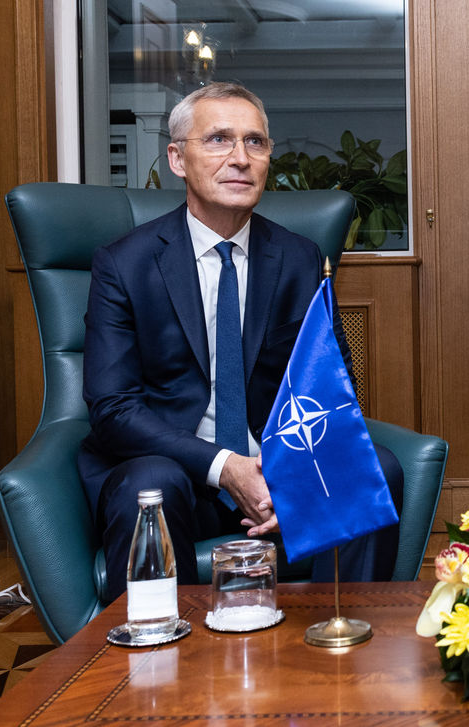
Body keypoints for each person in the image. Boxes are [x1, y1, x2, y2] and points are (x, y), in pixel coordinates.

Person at [78, 83, 403, 598]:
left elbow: (332, 387)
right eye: (218, 140)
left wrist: (283, 478)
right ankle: (159, 668)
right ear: (177, 159)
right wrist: (226, 468)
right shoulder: (124, 264)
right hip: (179, 472)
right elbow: (114, 409)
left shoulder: (299, 259)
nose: (240, 159)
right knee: (151, 486)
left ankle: (344, 648)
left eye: (255, 142)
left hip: (273, 466)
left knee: (374, 468)